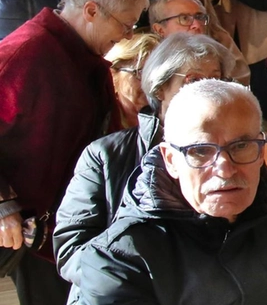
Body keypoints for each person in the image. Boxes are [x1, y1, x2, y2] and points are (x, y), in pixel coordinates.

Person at [70, 80, 267, 305]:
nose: (225, 168)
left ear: (262, 153)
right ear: (170, 161)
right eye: (200, 151)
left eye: (241, 146)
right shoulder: (121, 256)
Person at [0, 0, 146, 305]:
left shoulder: (84, 56)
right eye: (125, 24)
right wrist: (3, 205)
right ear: (92, 10)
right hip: (18, 222)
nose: (128, 36)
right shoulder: (25, 51)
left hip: (55, 227)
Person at [53, 32, 237, 288]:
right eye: (194, 79)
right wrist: (144, 278)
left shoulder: (238, 153)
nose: (206, 90)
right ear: (160, 88)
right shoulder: (105, 156)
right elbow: (71, 250)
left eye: (215, 79)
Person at [156, 0, 247, 85]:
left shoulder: (219, 37)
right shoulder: (153, 53)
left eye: (199, 16)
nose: (196, 25)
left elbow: (242, 76)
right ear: (159, 30)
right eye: (185, 18)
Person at [104, 32, 160, 131]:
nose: (153, 83)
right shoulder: (98, 124)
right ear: (112, 77)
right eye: (142, 73)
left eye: (159, 74)